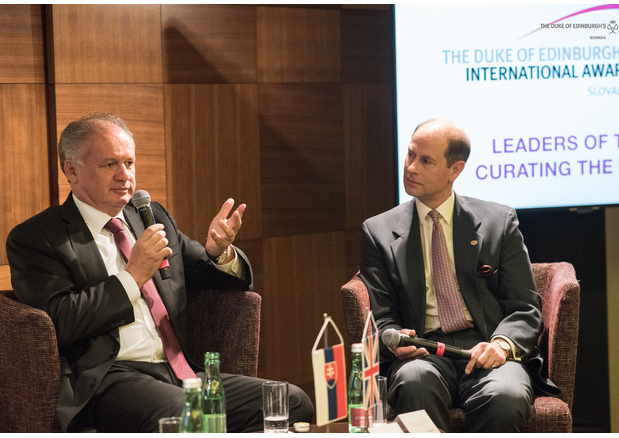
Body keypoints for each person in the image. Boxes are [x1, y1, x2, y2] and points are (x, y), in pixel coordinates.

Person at [6, 112, 313, 433]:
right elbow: (58, 322)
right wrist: (132, 277)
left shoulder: (149, 215)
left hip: (182, 371)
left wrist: (219, 252)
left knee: (290, 401)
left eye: (129, 163)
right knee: (186, 416)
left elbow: (206, 273)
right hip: (111, 378)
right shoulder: (39, 237)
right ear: (72, 170)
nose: (124, 176)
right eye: (109, 164)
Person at [359, 118, 560, 432]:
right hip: (423, 353)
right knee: (413, 382)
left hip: (487, 349)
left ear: (455, 170)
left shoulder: (498, 222)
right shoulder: (379, 232)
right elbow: (381, 317)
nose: (411, 167)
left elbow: (524, 307)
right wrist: (393, 339)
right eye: (410, 154)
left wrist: (501, 345)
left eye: (426, 161)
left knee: (506, 396)